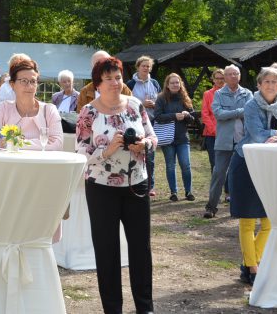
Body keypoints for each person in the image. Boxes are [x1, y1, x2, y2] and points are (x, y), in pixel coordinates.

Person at [76, 57, 156, 314]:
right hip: (101, 189)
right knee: (107, 250)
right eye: (108, 78)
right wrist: (107, 150)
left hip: (137, 185)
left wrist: (145, 145)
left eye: (118, 77)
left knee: (141, 249)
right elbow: (81, 153)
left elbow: (153, 136)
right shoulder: (88, 112)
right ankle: (113, 309)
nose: (114, 82)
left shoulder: (134, 104)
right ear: (97, 84)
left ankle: (146, 308)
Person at [229, 67, 277, 285]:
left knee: (270, 222)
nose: (270, 85)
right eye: (266, 81)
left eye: (275, 81)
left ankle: (249, 263)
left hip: (270, 168)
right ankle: (255, 270)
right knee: (248, 222)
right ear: (258, 85)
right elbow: (257, 135)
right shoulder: (250, 105)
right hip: (246, 165)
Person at [204, 65, 251, 219]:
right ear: (224, 77)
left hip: (243, 141)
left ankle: (242, 207)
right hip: (224, 141)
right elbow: (218, 114)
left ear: (239, 76)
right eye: (229, 74)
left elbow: (251, 112)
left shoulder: (247, 93)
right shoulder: (218, 94)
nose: (233, 76)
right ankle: (211, 207)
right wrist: (239, 112)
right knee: (218, 174)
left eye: (235, 74)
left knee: (243, 174)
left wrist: (231, 114)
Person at [0, 57, 63, 150]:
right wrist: (40, 143)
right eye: (24, 81)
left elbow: (57, 144)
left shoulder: (49, 111)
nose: (29, 86)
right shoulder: (2, 109)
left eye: (33, 81)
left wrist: (17, 142)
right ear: (12, 84)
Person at [153, 73, 195, 202]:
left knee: (186, 165)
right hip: (168, 138)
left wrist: (187, 115)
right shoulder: (161, 99)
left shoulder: (185, 98)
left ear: (180, 84)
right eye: (172, 83)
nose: (175, 85)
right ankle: (173, 192)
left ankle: (188, 191)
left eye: (177, 82)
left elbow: (193, 119)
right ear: (167, 85)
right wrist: (174, 116)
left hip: (182, 138)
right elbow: (157, 117)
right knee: (170, 165)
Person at [126, 56, 160, 198]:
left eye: (148, 66)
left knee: (150, 155)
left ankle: (150, 186)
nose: (146, 68)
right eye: (143, 66)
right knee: (135, 153)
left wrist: (155, 104)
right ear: (138, 67)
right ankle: (133, 182)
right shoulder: (130, 83)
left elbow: (161, 100)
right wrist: (142, 103)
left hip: (151, 122)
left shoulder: (155, 83)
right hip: (135, 123)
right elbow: (126, 101)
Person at [201, 69, 225, 171]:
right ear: (213, 80)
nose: (219, 81)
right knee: (214, 163)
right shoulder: (208, 94)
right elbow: (205, 114)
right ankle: (216, 187)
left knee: (226, 163)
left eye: (222, 78)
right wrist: (214, 130)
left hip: (226, 133)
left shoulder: (229, 93)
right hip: (211, 134)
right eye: (217, 78)